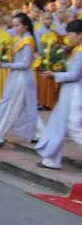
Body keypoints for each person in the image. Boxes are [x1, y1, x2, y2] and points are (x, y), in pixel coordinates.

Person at [0, 13, 38, 149]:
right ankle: (38, 133)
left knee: (11, 108)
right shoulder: (20, 38)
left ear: (25, 26)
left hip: (21, 78)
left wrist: (5, 65)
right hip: (15, 76)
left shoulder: (28, 40)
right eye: (13, 25)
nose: (15, 28)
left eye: (17, 25)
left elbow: (25, 64)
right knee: (21, 107)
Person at [35, 19, 82, 169]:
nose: (68, 38)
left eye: (71, 35)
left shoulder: (80, 52)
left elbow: (75, 75)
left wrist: (55, 75)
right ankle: (51, 160)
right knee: (58, 124)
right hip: (69, 91)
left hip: (76, 92)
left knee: (73, 127)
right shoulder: (75, 50)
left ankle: (51, 159)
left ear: (80, 35)